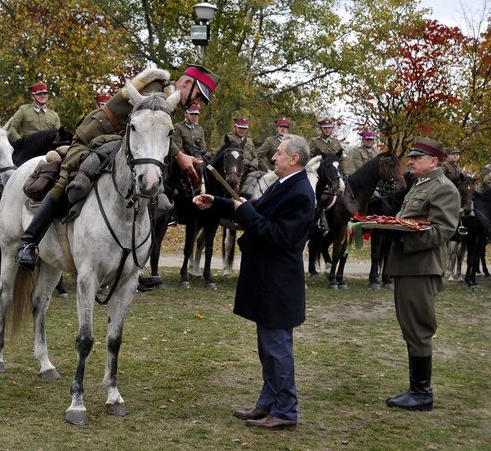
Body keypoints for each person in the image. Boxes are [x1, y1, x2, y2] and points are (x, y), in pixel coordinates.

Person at [16, 64, 221, 271]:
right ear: (186, 83)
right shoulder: (155, 89)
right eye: (198, 95)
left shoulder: (168, 99)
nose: (197, 103)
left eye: (201, 100)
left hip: (115, 144)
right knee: (65, 180)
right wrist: (179, 155)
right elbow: (145, 122)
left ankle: (132, 263)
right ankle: (29, 242)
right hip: (91, 138)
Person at [193, 134, 314, 430]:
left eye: (279, 153)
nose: (273, 157)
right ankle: (267, 404)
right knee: (267, 349)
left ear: (294, 159)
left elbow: (278, 236)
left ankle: (285, 411)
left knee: (277, 349)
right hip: (267, 282)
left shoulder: (300, 192)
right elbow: (255, 207)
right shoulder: (285, 184)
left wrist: (245, 211)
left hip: (279, 284)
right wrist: (218, 202)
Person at [382, 137, 460, 412]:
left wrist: (401, 239)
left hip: (422, 267)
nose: (411, 161)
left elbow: (443, 230)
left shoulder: (444, 188)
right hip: (409, 266)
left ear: (434, 161)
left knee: (418, 328)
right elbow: (411, 221)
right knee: (410, 326)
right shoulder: (421, 185)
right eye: (411, 158)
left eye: (416, 158)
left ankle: (421, 393)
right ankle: (417, 389)